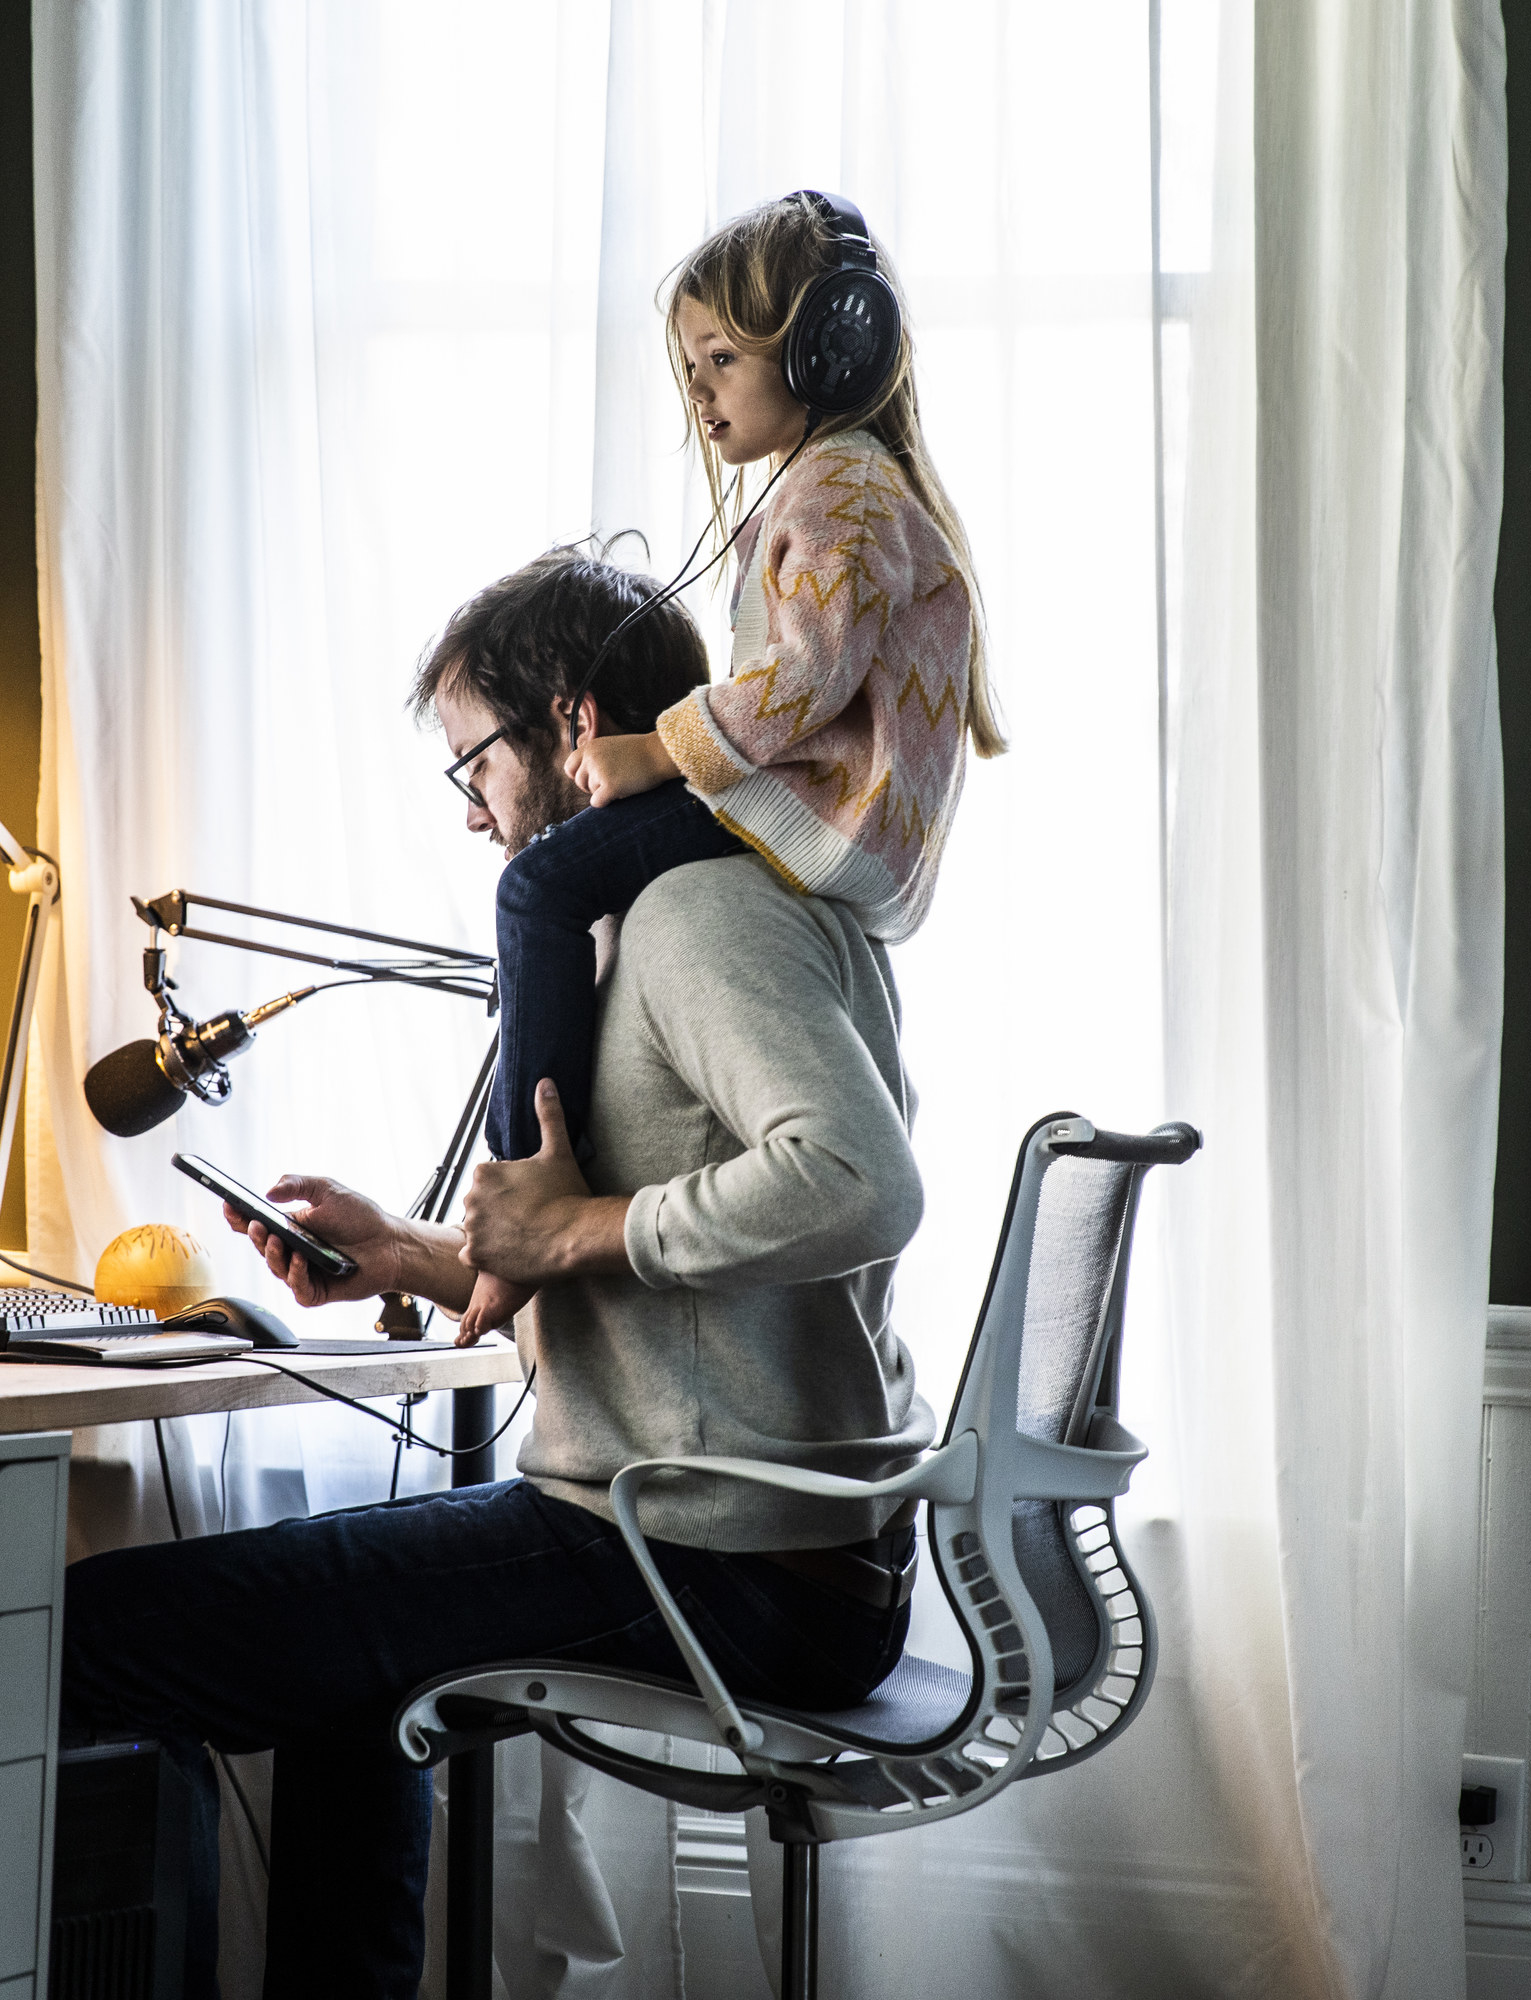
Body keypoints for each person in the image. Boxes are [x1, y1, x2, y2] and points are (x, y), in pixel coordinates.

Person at [59, 549, 938, 2000]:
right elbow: (689, 1244)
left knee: (95, 1640)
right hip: (731, 1542)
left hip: (716, 1560)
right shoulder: (714, 901)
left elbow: (861, 1184)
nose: (470, 809)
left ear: (571, 722)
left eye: (474, 762)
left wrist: (574, 1233)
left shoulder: (697, 920)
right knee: (350, 1670)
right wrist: (410, 1254)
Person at [461, 189, 1007, 1339]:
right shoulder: (840, 486)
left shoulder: (841, 487)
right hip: (815, 816)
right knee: (556, 884)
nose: (698, 389)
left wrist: (660, 747)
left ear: (828, 349)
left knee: (539, 882)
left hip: (804, 813)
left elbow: (805, 675)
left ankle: (525, 1195)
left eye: (721, 357)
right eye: (691, 362)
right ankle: (520, 1221)